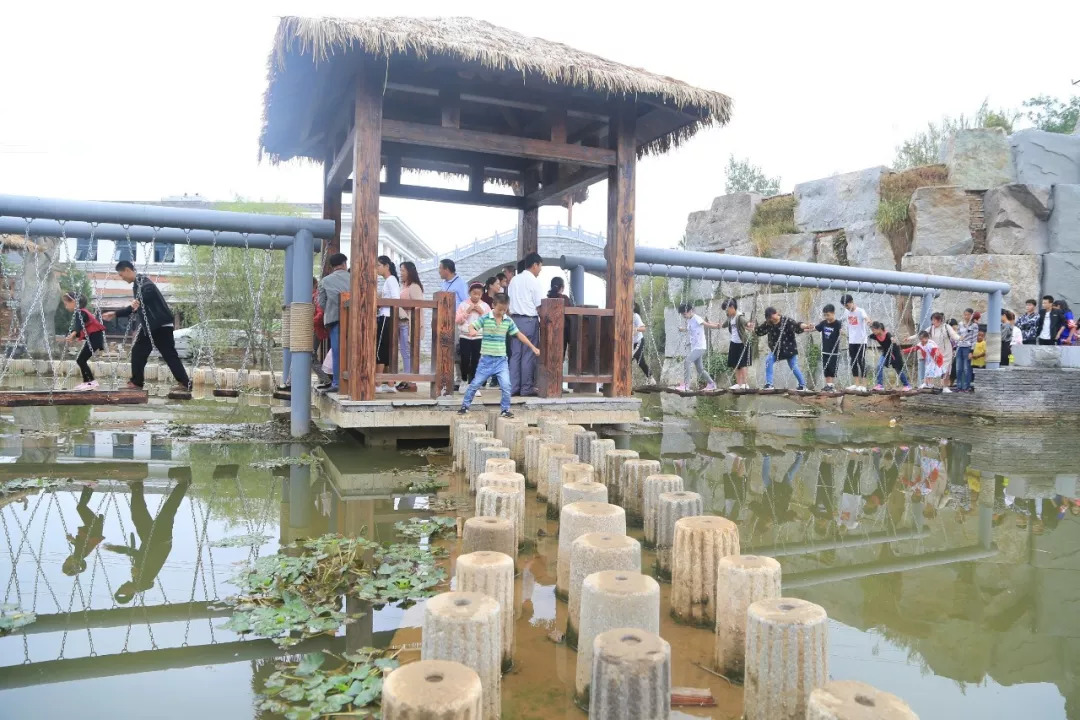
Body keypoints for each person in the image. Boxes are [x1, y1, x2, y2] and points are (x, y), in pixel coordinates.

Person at [102, 261, 190, 393]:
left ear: (127, 270)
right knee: (145, 352)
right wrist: (115, 313)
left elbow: (149, 292)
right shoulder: (137, 284)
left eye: (121, 275)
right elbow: (136, 307)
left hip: (158, 325)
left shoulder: (143, 282)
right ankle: (183, 383)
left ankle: (138, 383)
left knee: (159, 354)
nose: (122, 278)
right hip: (153, 325)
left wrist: (138, 300)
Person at [106, 472, 191, 604]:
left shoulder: (138, 580)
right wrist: (116, 549)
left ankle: (137, 485)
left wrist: (119, 551)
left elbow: (137, 555)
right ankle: (185, 483)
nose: (122, 585)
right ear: (129, 593)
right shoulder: (141, 582)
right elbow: (138, 556)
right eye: (123, 589)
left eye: (120, 588)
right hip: (160, 541)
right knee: (167, 511)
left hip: (151, 541)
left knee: (138, 515)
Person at [457, 293, 540, 419]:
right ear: (493, 305)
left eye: (504, 309)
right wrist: (472, 331)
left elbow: (519, 334)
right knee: (475, 384)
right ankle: (465, 406)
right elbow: (472, 325)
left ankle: (505, 409)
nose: (502, 312)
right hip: (486, 360)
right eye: (499, 309)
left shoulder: (508, 321)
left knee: (506, 386)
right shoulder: (486, 318)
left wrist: (533, 347)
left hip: (501, 361)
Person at [508, 252, 544, 396]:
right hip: (529, 320)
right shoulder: (534, 282)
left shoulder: (514, 280)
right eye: (540, 266)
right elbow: (539, 306)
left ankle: (513, 388)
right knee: (528, 354)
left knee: (515, 354)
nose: (540, 269)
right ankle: (526, 388)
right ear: (535, 265)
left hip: (514, 320)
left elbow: (509, 301)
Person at [752, 307, 807, 390]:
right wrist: (752, 328)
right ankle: (769, 384)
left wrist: (805, 326)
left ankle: (802, 385)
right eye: (770, 318)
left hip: (789, 350)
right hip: (776, 350)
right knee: (768, 361)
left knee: (793, 366)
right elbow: (760, 331)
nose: (772, 320)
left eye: (772, 317)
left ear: (776, 313)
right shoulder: (769, 323)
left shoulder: (786, 321)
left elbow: (797, 326)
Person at [60, 292, 106, 391]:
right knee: (81, 360)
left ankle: (91, 382)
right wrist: (73, 335)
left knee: (81, 360)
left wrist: (73, 334)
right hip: (94, 339)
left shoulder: (80, 312)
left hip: (95, 339)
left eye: (66, 303)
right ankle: (87, 382)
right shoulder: (82, 312)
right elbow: (80, 327)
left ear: (74, 302)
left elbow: (79, 325)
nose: (65, 306)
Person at [316, 253, 349, 392]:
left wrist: (330, 309)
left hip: (335, 319)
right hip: (355, 319)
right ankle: (354, 381)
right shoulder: (354, 278)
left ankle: (337, 382)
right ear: (344, 264)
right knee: (353, 349)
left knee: (337, 351)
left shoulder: (325, 281)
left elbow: (321, 302)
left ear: (332, 267)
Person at [676, 303, 721, 392]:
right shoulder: (689, 319)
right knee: (700, 369)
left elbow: (706, 324)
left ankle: (686, 385)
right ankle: (711, 384)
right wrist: (682, 329)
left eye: (684, 314)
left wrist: (716, 327)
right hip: (695, 347)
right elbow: (689, 329)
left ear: (690, 311)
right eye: (682, 314)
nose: (684, 316)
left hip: (700, 347)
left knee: (687, 361)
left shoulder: (696, 318)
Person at [62, 486, 105, 576]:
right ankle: (90, 485)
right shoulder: (78, 557)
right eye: (66, 563)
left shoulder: (80, 556)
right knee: (81, 507)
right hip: (93, 529)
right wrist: (72, 539)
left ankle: (89, 486)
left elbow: (80, 546)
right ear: (73, 565)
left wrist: (72, 540)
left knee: (81, 507)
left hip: (94, 528)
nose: (66, 559)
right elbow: (80, 545)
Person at [374, 256, 401, 393]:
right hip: (385, 316)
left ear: (386, 266)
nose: (377, 268)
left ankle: (377, 384)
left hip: (387, 316)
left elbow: (396, 299)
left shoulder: (391, 280)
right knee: (386, 349)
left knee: (380, 349)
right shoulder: (389, 281)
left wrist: (380, 303)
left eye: (378, 265)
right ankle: (390, 383)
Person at [455, 282, 490, 391]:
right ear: (470, 293)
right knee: (464, 359)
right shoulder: (463, 305)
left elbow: (490, 321)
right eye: (474, 293)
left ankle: (473, 383)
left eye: (479, 294)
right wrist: (468, 311)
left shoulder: (484, 306)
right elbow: (457, 320)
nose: (476, 296)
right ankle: (464, 380)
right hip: (465, 336)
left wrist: (482, 312)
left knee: (476, 359)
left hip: (479, 336)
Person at [397, 261, 424, 391]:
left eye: (402, 270)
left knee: (408, 352)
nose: (400, 273)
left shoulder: (414, 287)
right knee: (404, 352)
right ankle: (406, 378)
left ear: (409, 271)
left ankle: (410, 380)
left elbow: (418, 308)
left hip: (408, 322)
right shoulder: (403, 286)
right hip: (402, 322)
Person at [803, 303, 842, 392]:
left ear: (833, 313)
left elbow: (842, 331)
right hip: (825, 350)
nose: (826, 317)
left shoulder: (838, 324)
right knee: (826, 368)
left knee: (832, 368)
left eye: (828, 315)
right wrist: (804, 330)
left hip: (834, 351)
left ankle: (831, 385)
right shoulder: (824, 323)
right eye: (825, 315)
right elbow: (815, 328)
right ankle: (828, 385)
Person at [870, 321, 912, 391]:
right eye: (872, 330)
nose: (873, 331)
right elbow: (867, 337)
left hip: (894, 353)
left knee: (898, 369)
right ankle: (880, 385)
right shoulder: (875, 335)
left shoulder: (887, 334)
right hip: (886, 353)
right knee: (879, 366)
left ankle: (907, 385)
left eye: (874, 330)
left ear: (879, 328)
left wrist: (893, 339)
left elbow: (891, 337)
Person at [841, 294, 870, 392]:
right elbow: (841, 320)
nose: (847, 308)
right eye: (845, 307)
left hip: (861, 341)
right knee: (853, 362)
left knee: (861, 361)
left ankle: (864, 385)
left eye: (847, 306)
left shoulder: (860, 311)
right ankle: (856, 384)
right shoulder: (846, 312)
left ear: (852, 302)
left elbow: (866, 318)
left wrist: (869, 322)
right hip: (852, 341)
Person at [722, 299, 752, 390]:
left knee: (743, 364)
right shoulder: (730, 317)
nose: (726, 312)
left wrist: (749, 324)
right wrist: (716, 325)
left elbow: (746, 322)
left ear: (732, 307)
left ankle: (745, 383)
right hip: (733, 343)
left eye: (727, 310)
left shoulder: (739, 316)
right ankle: (739, 384)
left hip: (742, 343)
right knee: (735, 364)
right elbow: (724, 325)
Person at [955, 309, 979, 392]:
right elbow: (957, 336)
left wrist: (971, 351)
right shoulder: (960, 324)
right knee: (958, 368)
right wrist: (955, 346)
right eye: (965, 314)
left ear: (972, 315)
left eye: (968, 314)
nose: (966, 316)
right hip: (959, 347)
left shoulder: (974, 325)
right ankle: (959, 386)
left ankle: (966, 386)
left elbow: (974, 339)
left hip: (967, 347)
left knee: (966, 368)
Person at [632, 303, 654, 385]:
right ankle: (651, 378)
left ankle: (650, 379)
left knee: (633, 359)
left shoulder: (635, 316)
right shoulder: (623, 315)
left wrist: (636, 329)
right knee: (640, 362)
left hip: (638, 342)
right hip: (628, 343)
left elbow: (643, 328)